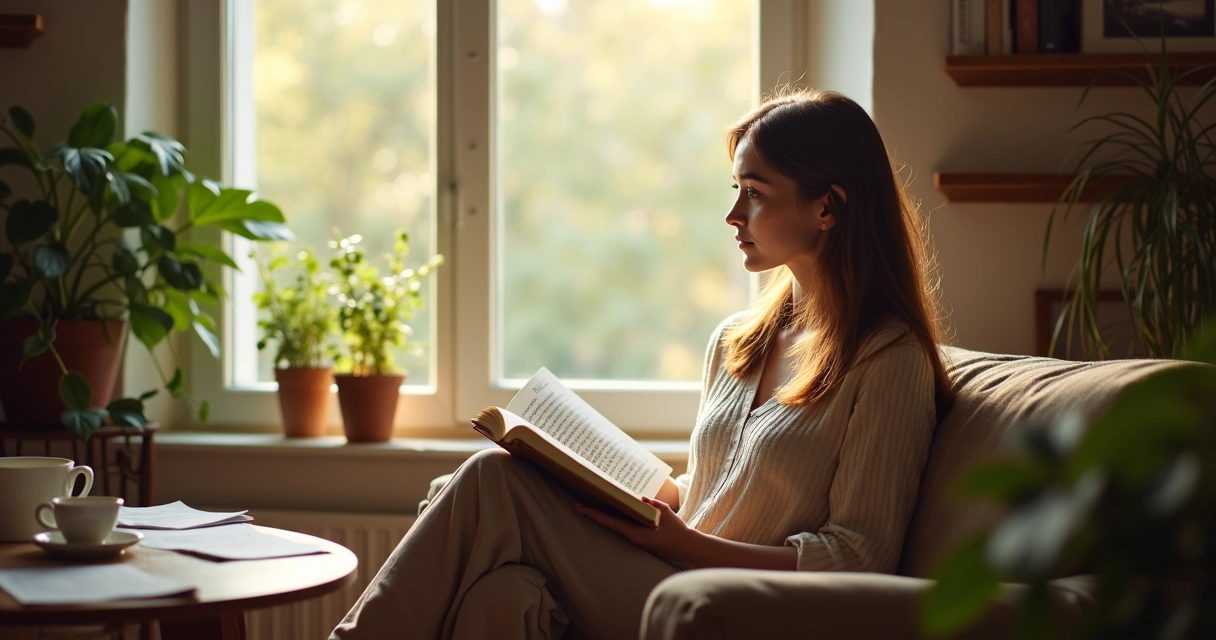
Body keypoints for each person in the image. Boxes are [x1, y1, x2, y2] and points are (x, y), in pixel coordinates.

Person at [330, 88, 953, 640]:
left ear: (828, 208)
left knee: (492, 482)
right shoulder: (738, 341)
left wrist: (686, 544)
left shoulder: (888, 362)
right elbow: (709, 494)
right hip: (669, 571)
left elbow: (857, 557)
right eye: (735, 190)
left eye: (755, 194)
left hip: (742, 611)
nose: (734, 216)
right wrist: (623, 483)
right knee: (502, 595)